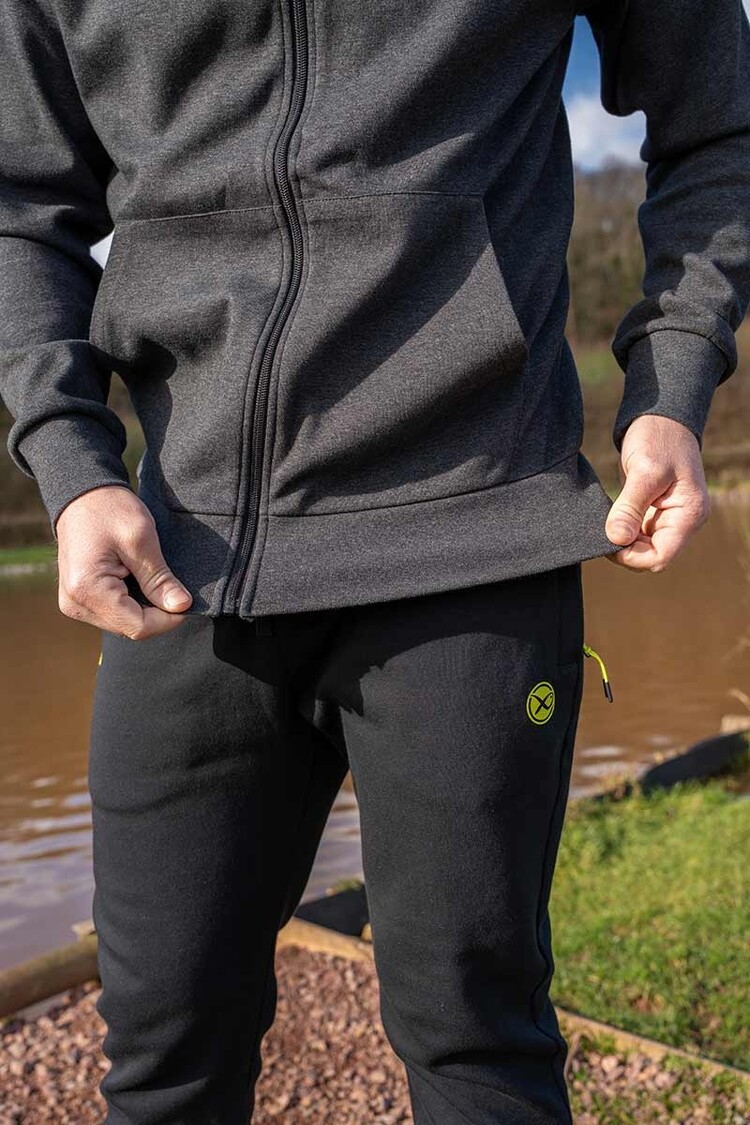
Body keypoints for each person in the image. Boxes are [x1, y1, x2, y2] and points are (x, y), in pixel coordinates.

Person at [2, 0, 749, 1121]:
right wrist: (72, 463)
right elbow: (20, 209)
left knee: (477, 1045)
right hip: (181, 564)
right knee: (160, 1061)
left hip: (475, 539)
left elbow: (721, 125)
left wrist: (671, 384)